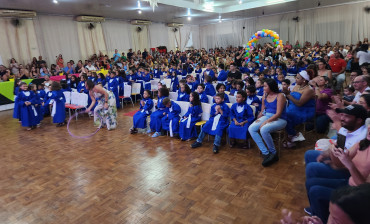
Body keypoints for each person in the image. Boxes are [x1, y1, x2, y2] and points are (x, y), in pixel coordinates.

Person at [306, 123, 370, 223]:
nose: (369, 127)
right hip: (349, 181)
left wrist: (349, 164)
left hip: (358, 196)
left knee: (316, 191)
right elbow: (340, 164)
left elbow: (366, 192)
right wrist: (334, 152)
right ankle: (317, 215)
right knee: (310, 183)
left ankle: (322, 218)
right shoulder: (362, 143)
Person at [248, 79, 287, 167]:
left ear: (271, 87)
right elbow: (262, 110)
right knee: (251, 128)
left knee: (264, 129)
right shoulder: (264, 95)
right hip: (267, 116)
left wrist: (265, 122)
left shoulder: (280, 96)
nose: (263, 87)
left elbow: (278, 114)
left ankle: (273, 153)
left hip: (280, 119)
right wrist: (258, 118)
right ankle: (265, 153)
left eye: (265, 86)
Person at [283, 70, 315, 147]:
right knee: (281, 114)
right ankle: (291, 134)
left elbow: (299, 103)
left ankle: (294, 134)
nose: (295, 79)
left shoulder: (309, 90)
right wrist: (286, 94)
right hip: (293, 107)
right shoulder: (297, 86)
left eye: (297, 78)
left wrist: (288, 94)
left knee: (286, 117)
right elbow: (291, 98)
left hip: (304, 110)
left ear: (304, 80)